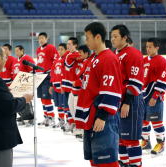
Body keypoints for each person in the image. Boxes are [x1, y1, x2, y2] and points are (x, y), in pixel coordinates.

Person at [75, 22, 122, 167]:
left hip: (102, 118)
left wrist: (102, 116)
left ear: (97, 37)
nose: (85, 41)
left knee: (106, 160)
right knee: (95, 159)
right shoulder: (93, 59)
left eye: (87, 37)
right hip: (91, 117)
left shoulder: (108, 58)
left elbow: (111, 89)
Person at [111, 24, 144, 167]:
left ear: (124, 37)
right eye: (111, 36)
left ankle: (135, 165)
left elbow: (135, 81)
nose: (112, 39)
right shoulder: (116, 54)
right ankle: (124, 162)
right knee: (120, 138)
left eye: (116, 36)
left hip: (131, 101)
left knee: (130, 139)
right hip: (119, 101)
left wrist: (127, 102)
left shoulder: (133, 53)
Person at [141, 38, 166, 155]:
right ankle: (146, 142)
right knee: (143, 121)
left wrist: (155, 96)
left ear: (157, 47)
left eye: (150, 47)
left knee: (156, 121)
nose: (148, 49)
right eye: (147, 47)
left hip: (154, 97)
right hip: (143, 96)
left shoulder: (162, 61)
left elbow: (163, 80)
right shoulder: (143, 60)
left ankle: (161, 143)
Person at [36, 32, 59, 127]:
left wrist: (51, 72)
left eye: (42, 38)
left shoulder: (51, 48)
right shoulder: (38, 50)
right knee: (42, 98)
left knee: (46, 98)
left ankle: (51, 117)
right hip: (39, 75)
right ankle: (46, 117)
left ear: (46, 38)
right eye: (39, 38)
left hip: (47, 75)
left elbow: (56, 59)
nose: (40, 40)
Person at [62, 37, 81, 133]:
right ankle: (70, 121)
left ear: (75, 45)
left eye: (70, 44)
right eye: (67, 44)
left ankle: (75, 123)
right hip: (66, 83)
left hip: (73, 84)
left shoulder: (77, 54)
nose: (67, 45)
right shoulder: (67, 54)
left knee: (74, 105)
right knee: (68, 105)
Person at [13, 45, 35, 125]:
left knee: (26, 101)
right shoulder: (16, 60)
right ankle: (23, 116)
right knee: (19, 101)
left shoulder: (27, 58)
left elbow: (32, 71)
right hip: (17, 84)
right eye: (15, 51)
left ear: (22, 50)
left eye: (17, 51)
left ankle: (30, 118)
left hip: (25, 84)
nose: (16, 53)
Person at [49, 43, 67, 129]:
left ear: (66, 50)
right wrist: (51, 85)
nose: (59, 51)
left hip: (63, 86)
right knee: (59, 105)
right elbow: (52, 73)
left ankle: (68, 122)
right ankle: (61, 120)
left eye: (61, 49)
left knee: (65, 105)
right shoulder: (56, 60)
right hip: (56, 86)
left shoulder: (67, 60)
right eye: (58, 49)